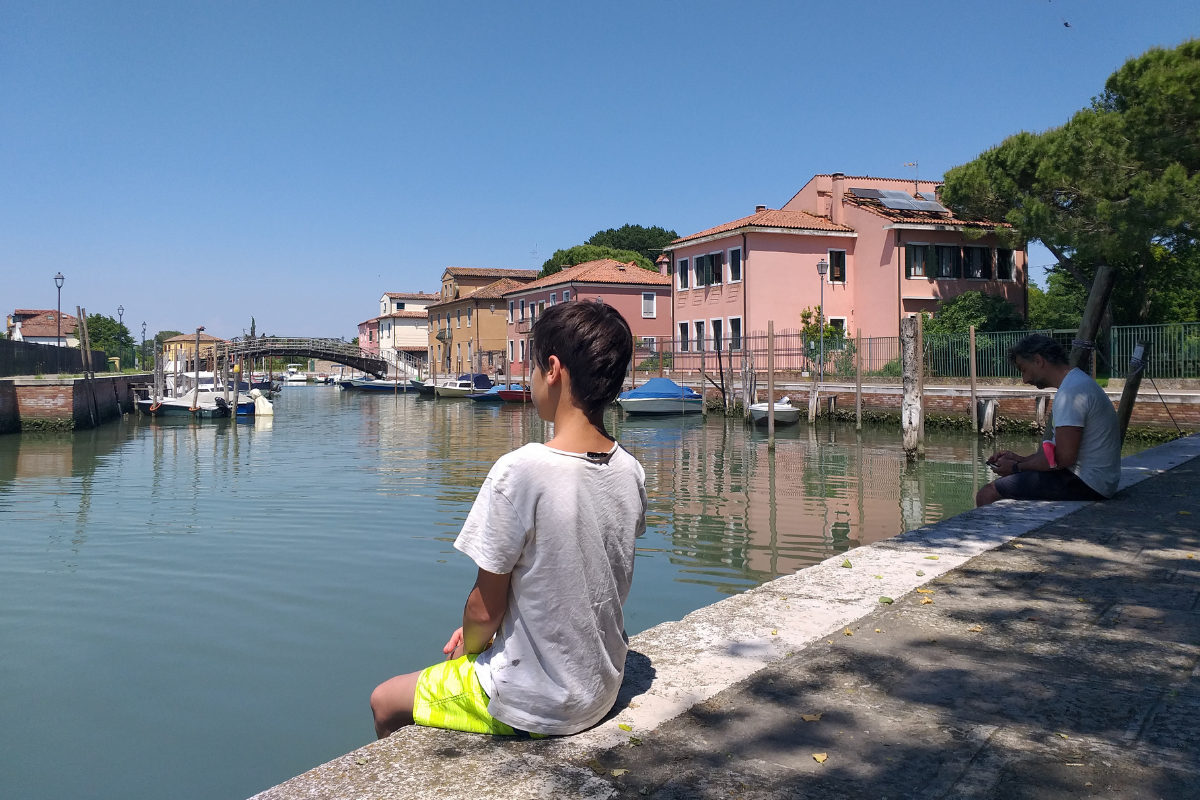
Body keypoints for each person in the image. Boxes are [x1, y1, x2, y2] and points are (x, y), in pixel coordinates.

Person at [370, 300, 647, 739]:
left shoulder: (520, 470)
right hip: (599, 687)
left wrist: (472, 648)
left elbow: (486, 606)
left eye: (534, 367)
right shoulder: (630, 470)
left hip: (535, 701)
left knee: (385, 700)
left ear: (552, 369)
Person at [976, 334, 1122, 507]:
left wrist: (1016, 468)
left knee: (987, 493)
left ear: (1038, 360)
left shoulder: (1071, 393)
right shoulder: (1078, 383)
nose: (1025, 380)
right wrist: (1019, 459)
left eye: (1023, 370)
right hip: (1096, 481)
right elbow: (1058, 455)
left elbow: (1062, 459)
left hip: (1086, 483)